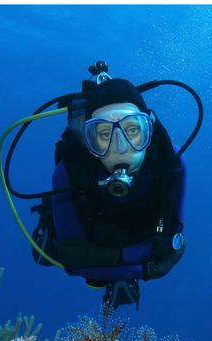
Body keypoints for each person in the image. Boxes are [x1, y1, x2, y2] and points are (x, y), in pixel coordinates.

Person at [47, 76, 187, 309]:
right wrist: (145, 268)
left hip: (119, 242)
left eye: (132, 130)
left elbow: (172, 242)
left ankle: (113, 275)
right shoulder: (68, 173)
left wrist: (110, 261)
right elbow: (72, 259)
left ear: (148, 130)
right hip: (98, 234)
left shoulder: (171, 163)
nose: (120, 147)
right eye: (104, 134)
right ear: (88, 139)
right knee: (47, 251)